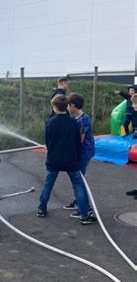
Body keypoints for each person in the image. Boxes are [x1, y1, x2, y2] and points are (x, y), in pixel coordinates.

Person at [37, 95, 96, 225]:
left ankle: (41, 208)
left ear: (55, 107)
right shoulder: (73, 122)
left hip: (53, 160)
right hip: (71, 160)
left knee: (48, 183)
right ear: (66, 106)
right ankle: (84, 215)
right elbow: (77, 142)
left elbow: (48, 142)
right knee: (78, 185)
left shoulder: (49, 122)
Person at [63, 93, 95, 217]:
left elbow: (80, 140)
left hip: (84, 153)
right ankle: (79, 202)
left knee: (79, 180)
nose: (67, 108)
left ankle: (86, 208)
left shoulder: (84, 119)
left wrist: (71, 153)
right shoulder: (75, 118)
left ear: (73, 105)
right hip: (81, 152)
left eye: (68, 106)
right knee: (78, 179)